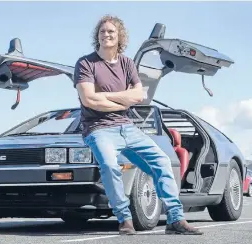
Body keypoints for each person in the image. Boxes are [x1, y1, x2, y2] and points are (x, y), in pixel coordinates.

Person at [73, 15, 203, 235]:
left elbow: (138, 96)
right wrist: (121, 99)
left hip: (127, 127)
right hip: (98, 129)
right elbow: (89, 100)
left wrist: (106, 96)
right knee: (109, 166)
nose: (106, 34)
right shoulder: (86, 63)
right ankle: (125, 219)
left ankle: (175, 220)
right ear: (97, 36)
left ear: (119, 36)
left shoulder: (127, 63)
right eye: (102, 31)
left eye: (111, 32)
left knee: (162, 161)